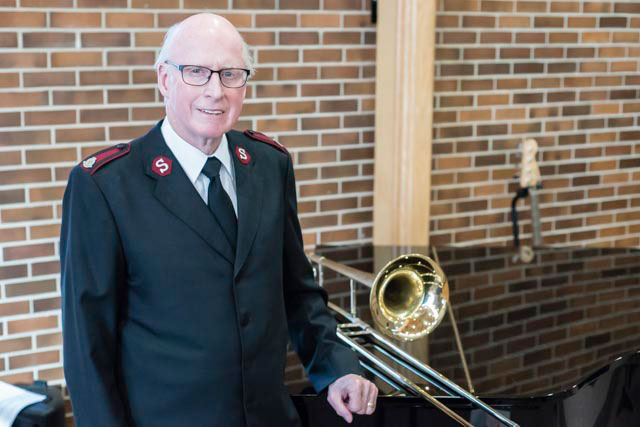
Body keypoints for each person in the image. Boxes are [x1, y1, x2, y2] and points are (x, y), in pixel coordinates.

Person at [60, 13, 378, 427]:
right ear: (164, 79)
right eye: (196, 72)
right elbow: (88, 348)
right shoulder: (105, 185)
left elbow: (297, 291)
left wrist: (338, 367)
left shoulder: (269, 165)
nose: (216, 91)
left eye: (231, 74)